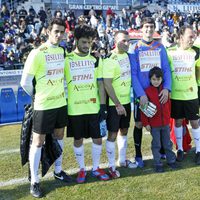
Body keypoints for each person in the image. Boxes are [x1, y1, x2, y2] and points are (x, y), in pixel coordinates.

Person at [20, 18, 72, 198]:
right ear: (47, 32)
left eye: (61, 32)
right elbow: (25, 82)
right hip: (43, 105)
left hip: (60, 103)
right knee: (38, 142)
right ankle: (34, 181)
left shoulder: (63, 51)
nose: (59, 35)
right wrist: (38, 96)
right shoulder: (37, 53)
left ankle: (58, 171)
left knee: (59, 136)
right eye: (55, 31)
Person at [65, 24, 109, 183]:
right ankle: (82, 169)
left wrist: (103, 106)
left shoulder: (96, 59)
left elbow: (101, 83)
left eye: (89, 42)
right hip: (75, 109)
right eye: (83, 42)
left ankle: (96, 167)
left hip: (93, 107)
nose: (86, 46)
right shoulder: (67, 59)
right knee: (78, 140)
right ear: (76, 40)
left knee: (98, 139)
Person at [129, 17, 171, 168]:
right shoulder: (134, 48)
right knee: (140, 123)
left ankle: (162, 151)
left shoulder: (160, 47)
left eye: (151, 26)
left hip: (158, 92)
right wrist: (141, 94)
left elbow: (166, 69)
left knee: (160, 120)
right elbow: (133, 73)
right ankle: (138, 154)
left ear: (155, 28)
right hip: (142, 94)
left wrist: (167, 88)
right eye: (146, 26)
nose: (149, 29)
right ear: (141, 28)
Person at [103, 30, 137, 179]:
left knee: (124, 130)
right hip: (114, 104)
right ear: (115, 41)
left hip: (126, 102)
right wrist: (117, 104)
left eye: (128, 41)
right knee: (112, 133)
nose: (127, 43)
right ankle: (111, 166)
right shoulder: (110, 59)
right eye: (124, 40)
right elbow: (107, 84)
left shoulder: (129, 57)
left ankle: (122, 161)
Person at [167, 25, 200, 164]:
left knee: (195, 123)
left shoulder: (197, 52)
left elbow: (198, 71)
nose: (193, 39)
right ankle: (179, 149)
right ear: (181, 38)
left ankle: (199, 150)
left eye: (194, 36)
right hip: (176, 95)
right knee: (178, 121)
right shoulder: (169, 52)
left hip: (191, 95)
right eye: (190, 37)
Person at [141, 67, 177, 172]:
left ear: (162, 79)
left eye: (158, 79)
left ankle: (171, 161)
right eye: (153, 79)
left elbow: (169, 106)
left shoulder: (165, 91)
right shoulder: (147, 92)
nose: (156, 81)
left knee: (167, 143)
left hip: (165, 123)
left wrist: (168, 119)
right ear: (150, 79)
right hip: (154, 125)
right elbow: (143, 109)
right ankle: (158, 163)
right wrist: (146, 123)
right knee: (156, 145)